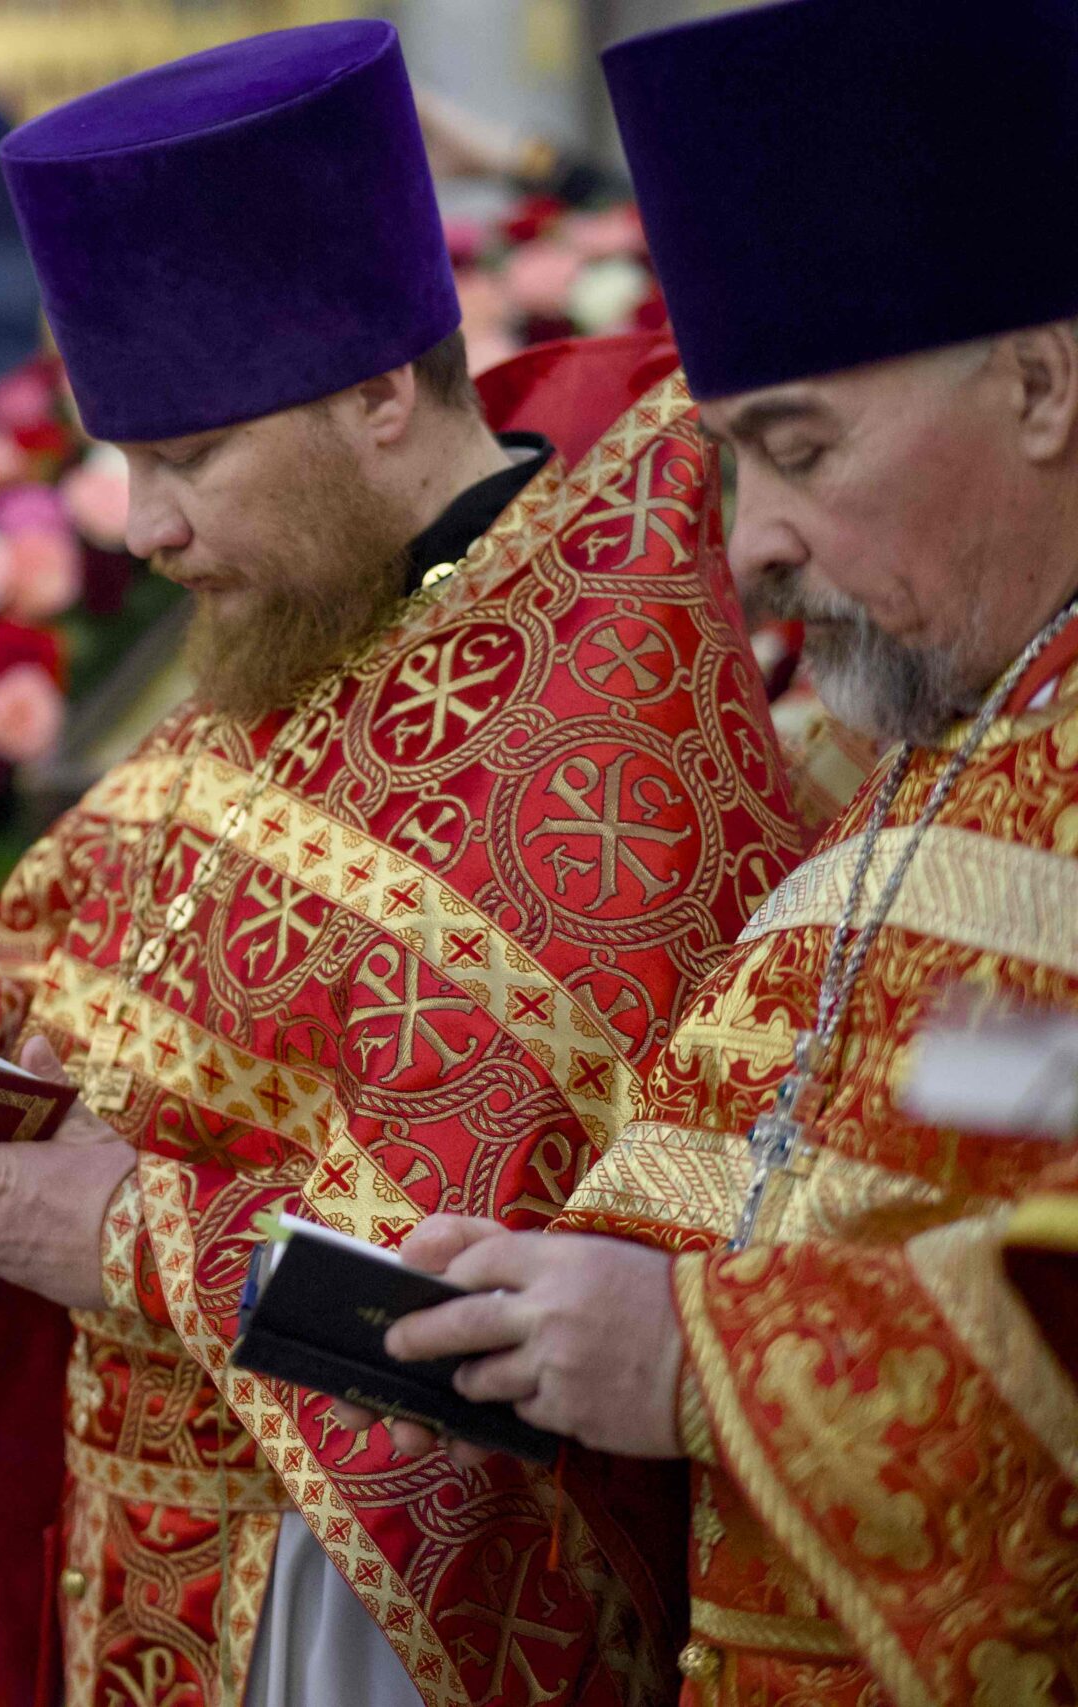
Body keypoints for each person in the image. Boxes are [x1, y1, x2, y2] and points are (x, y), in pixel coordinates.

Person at [0, 21, 807, 1706]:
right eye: (125, 463)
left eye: (189, 458)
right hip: (146, 1570)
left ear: (377, 394)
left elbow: (534, 1336)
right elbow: (74, 976)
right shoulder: (298, 629)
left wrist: (134, 1234)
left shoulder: (616, 721)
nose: (144, 528)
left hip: (376, 1617)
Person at [365, 3, 1078, 1701]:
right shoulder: (942, 724)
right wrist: (541, 1291)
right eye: (734, 464)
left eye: (800, 451)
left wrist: (707, 1359)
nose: (751, 546)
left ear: (1042, 384)